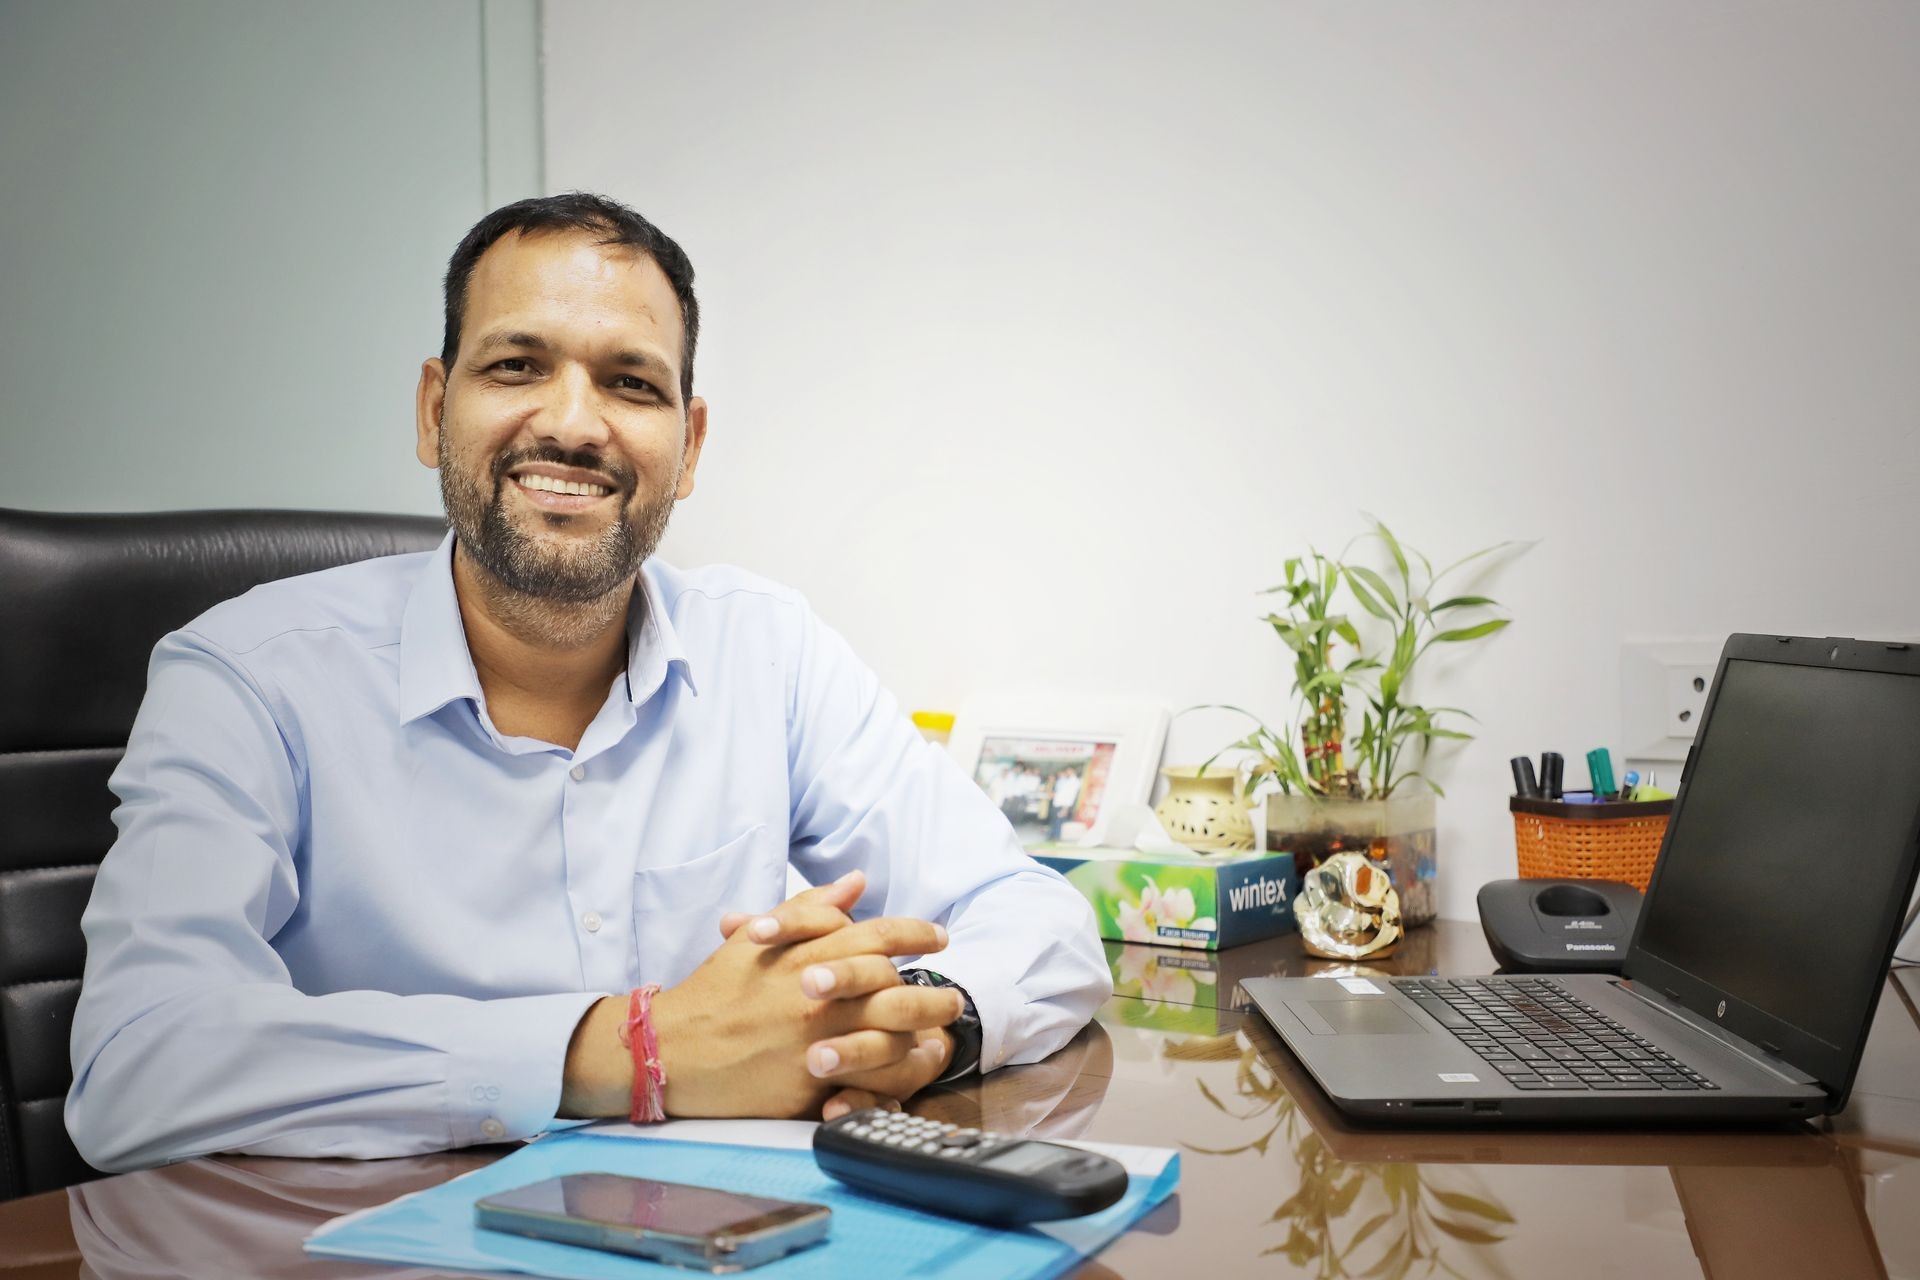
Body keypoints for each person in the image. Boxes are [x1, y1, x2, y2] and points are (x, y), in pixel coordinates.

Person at [65, 193, 1110, 1172]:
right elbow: (137, 1057)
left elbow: (1037, 916)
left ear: (688, 444)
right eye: (517, 365)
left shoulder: (770, 651)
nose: (573, 422)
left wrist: (916, 1028)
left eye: (631, 381)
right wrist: (630, 1048)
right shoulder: (247, 676)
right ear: (435, 411)